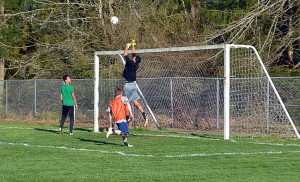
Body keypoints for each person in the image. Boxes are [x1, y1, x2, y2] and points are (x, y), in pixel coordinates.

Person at [122, 39, 148, 127]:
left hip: (128, 85)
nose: (133, 56)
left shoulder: (130, 63)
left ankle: (126, 119)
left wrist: (127, 46)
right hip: (134, 85)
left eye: (134, 57)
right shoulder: (135, 64)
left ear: (134, 60)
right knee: (135, 102)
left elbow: (125, 55)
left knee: (126, 103)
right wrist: (133, 45)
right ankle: (145, 115)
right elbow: (134, 54)